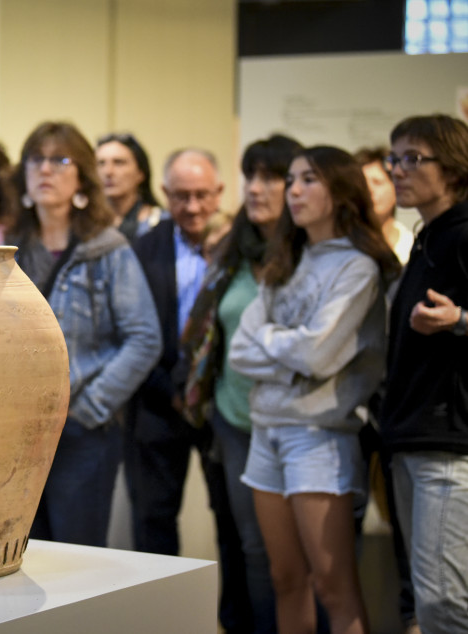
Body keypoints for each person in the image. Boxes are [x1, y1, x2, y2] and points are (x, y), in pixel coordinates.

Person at [229, 145, 400, 634]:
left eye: (309, 179)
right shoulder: (288, 258)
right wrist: (292, 353)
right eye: (293, 179)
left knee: (333, 585)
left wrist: (284, 350)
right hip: (267, 430)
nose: (294, 190)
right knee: (284, 579)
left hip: (320, 436)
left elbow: (317, 356)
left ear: (341, 191)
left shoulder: (359, 267)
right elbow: (240, 351)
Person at [9, 121, 162, 547]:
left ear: (81, 177)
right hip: (17, 431)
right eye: (35, 160)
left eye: (60, 160)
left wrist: (92, 407)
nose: (45, 171)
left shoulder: (108, 248)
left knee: (75, 562)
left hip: (83, 431)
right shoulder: (9, 249)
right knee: (20, 554)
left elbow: (144, 338)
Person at [183, 134, 303, 633]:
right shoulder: (232, 250)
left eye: (271, 177)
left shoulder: (315, 253)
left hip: (301, 424)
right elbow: (206, 328)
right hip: (235, 421)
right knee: (251, 549)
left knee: (309, 557)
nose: (256, 188)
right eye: (251, 176)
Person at [128, 148, 249, 633]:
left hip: (222, 403)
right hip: (157, 402)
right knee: (154, 521)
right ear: (165, 195)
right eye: (181, 196)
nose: (193, 206)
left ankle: (236, 622)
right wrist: (170, 388)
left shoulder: (243, 246)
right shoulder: (142, 248)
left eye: (202, 195)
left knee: (233, 523)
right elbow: (137, 329)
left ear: (220, 193)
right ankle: (164, 623)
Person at [379, 114, 468, 633]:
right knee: (426, 600)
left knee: (444, 603)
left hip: (447, 441)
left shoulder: (462, 236)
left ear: (454, 169)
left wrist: (460, 320)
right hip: (411, 436)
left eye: (413, 158)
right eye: (395, 158)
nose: (398, 170)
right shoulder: (428, 236)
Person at [353, 145, 418, 634]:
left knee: (411, 540)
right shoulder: (342, 252)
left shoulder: (414, 248)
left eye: (376, 180)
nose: (367, 190)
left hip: (405, 408)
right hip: (355, 412)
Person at [95, 132, 166, 240]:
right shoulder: (82, 224)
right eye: (101, 163)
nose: (108, 172)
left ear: (141, 173)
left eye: (119, 163)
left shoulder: (161, 223)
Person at [355, 146, 414, 264]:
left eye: (377, 182)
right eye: (363, 184)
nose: (369, 190)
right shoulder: (342, 242)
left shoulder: (410, 246)